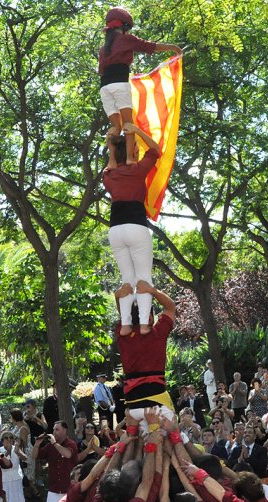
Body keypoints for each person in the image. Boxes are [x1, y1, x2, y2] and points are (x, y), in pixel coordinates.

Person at [98, 6, 181, 165]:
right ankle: (129, 158)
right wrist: (173, 48)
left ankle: (112, 161)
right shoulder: (125, 39)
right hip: (119, 84)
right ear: (124, 27)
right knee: (128, 124)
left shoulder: (103, 49)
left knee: (115, 127)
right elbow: (151, 47)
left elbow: (101, 70)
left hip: (104, 87)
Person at [103, 123, 162, 337]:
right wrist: (137, 132)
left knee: (127, 279)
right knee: (144, 278)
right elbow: (155, 149)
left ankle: (126, 324)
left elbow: (110, 165)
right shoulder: (137, 170)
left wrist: (112, 145)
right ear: (131, 151)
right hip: (136, 226)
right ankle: (145, 324)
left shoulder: (109, 175)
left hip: (115, 230)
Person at [114, 280, 178, 430]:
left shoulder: (123, 334)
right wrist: (152, 291)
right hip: (157, 403)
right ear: (149, 317)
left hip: (133, 407)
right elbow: (171, 307)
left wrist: (118, 297)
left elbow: (124, 317)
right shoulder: (157, 333)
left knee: (139, 449)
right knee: (174, 442)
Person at [32, 420, 78, 502]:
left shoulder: (71, 444)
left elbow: (68, 454)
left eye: (57, 429)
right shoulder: (50, 446)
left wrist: (54, 443)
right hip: (54, 488)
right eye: (53, 430)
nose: (54, 432)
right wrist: (37, 444)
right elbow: (35, 456)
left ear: (64, 430)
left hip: (68, 489)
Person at [0, 431, 27, 502]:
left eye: (11, 437)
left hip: (16, 476)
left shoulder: (16, 448)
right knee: (6, 498)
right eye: (6, 438)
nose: (9, 439)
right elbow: (0, 462)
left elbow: (25, 458)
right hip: (4, 478)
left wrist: (17, 452)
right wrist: (8, 450)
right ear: (2, 440)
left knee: (18, 497)